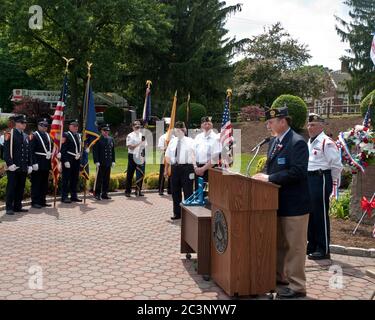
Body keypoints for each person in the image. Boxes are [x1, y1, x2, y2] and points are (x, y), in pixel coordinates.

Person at [252, 107, 310, 299]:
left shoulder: (297, 142)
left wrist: (268, 178)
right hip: (275, 203)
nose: (268, 125)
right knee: (278, 245)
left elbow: (298, 172)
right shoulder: (274, 142)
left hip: (294, 205)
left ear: (283, 121)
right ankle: (280, 278)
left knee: (295, 247)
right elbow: (271, 167)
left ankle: (297, 286)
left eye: (271, 121)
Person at [307, 113, 343, 260]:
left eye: (313, 125)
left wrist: (333, 184)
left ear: (321, 126)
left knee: (320, 214)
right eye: (308, 125)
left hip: (321, 178)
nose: (309, 127)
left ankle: (323, 248)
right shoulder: (310, 141)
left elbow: (336, 165)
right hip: (310, 179)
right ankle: (313, 245)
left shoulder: (326, 142)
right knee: (311, 214)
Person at [164, 121, 195, 220]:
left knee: (188, 191)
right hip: (175, 168)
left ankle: (188, 214)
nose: (180, 131)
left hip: (187, 168)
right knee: (175, 191)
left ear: (185, 130)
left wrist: (195, 168)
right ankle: (177, 213)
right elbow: (168, 156)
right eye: (178, 130)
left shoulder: (191, 141)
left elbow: (195, 156)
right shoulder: (172, 141)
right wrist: (166, 170)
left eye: (182, 129)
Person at [3, 115, 33, 215]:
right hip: (13, 167)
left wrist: (29, 165)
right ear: (16, 123)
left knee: (20, 187)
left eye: (25, 123)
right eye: (22, 122)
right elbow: (6, 152)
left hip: (23, 166)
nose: (24, 124)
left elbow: (28, 151)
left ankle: (17, 206)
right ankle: (9, 207)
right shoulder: (9, 134)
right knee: (11, 187)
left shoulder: (25, 135)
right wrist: (9, 164)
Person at [193, 116, 221, 193]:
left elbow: (215, 158)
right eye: (205, 124)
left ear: (212, 125)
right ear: (201, 125)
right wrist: (195, 167)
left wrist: (203, 169)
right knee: (198, 193)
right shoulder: (198, 137)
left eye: (209, 123)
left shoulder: (216, 138)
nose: (207, 126)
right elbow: (192, 154)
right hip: (197, 169)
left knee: (208, 195)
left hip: (209, 169)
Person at [30, 118, 52, 209]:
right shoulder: (34, 135)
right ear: (38, 126)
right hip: (38, 163)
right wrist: (34, 162)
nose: (45, 127)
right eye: (42, 125)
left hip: (46, 163)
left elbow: (51, 147)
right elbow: (31, 151)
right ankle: (35, 201)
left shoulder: (48, 135)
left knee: (44, 183)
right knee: (36, 183)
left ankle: (42, 201)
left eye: (46, 126)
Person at [60, 119, 82, 203]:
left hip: (76, 159)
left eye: (77, 126)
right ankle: (64, 196)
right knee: (66, 179)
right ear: (70, 126)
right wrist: (65, 160)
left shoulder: (78, 136)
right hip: (68, 159)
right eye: (74, 126)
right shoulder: (65, 135)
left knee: (75, 179)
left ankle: (74, 195)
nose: (76, 127)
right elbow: (63, 149)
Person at [92, 124, 116, 200]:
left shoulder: (111, 139)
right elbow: (95, 151)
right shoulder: (97, 139)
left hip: (108, 162)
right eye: (104, 131)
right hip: (101, 162)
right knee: (99, 179)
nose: (106, 132)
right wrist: (96, 161)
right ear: (101, 131)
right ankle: (97, 194)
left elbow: (113, 151)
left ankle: (105, 193)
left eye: (107, 131)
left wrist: (113, 161)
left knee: (106, 179)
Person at [125, 121, 147, 197]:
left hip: (140, 156)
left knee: (140, 174)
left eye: (139, 126)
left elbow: (144, 146)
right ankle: (128, 191)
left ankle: (138, 190)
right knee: (130, 174)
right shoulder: (130, 135)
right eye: (136, 126)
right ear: (133, 127)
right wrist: (140, 143)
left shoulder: (142, 135)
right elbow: (130, 147)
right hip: (132, 156)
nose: (138, 128)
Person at [157, 121, 173, 196]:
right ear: (167, 128)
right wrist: (167, 148)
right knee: (163, 172)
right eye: (169, 128)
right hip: (164, 155)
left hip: (172, 156)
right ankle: (161, 189)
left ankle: (170, 189)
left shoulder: (174, 137)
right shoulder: (162, 137)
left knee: (171, 172)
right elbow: (160, 147)